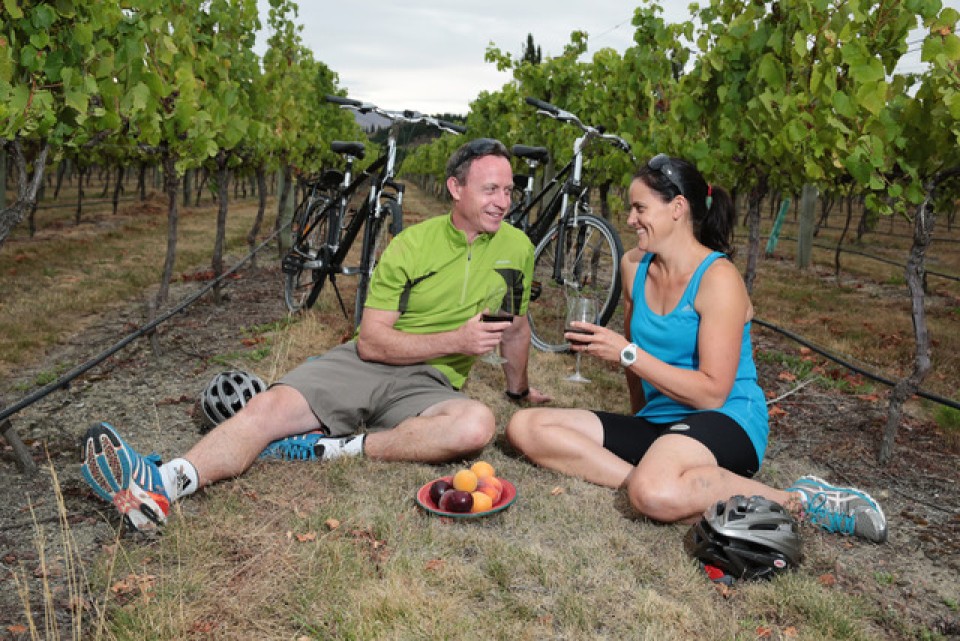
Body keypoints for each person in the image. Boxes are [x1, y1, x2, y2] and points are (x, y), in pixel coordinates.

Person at [81, 138, 550, 532]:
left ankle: (332, 449)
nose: (503, 202)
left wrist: (521, 390)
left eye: (508, 191)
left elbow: (516, 325)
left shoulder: (517, 248)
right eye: (491, 189)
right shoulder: (412, 245)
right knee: (270, 407)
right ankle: (163, 486)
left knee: (476, 426)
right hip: (371, 361)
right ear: (456, 187)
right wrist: (457, 340)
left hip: (432, 385)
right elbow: (371, 341)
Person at [506, 154, 888, 544]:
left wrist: (626, 354)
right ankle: (654, 478)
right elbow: (634, 363)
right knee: (526, 428)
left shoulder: (718, 278)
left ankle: (798, 501)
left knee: (652, 493)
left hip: (727, 418)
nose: (630, 219)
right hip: (663, 422)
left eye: (640, 208)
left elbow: (711, 391)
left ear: (677, 208)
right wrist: (640, 418)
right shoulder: (633, 266)